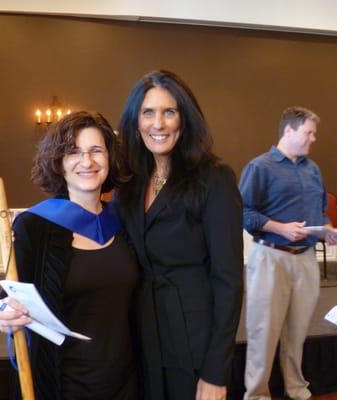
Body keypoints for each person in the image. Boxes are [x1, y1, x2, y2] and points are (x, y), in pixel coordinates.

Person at [117, 70, 244, 400]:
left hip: (193, 342)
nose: (158, 124)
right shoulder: (128, 183)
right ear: (135, 121)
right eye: (148, 112)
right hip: (142, 338)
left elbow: (228, 281)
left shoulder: (214, 179)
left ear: (184, 119)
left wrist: (216, 372)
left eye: (169, 112)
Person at [0, 111, 139, 400]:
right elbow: (11, 299)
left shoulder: (126, 221)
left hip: (128, 382)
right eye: (74, 152)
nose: (87, 161)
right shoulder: (35, 226)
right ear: (59, 163)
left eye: (96, 150)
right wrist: (5, 314)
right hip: (65, 384)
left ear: (109, 159)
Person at [239, 106, 337, 400]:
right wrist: (280, 228)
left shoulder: (313, 169)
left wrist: (328, 230)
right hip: (271, 258)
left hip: (306, 259)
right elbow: (243, 212)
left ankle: (296, 388)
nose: (314, 138)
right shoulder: (259, 167)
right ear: (289, 130)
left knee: (297, 332)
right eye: (309, 132)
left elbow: (320, 213)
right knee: (263, 332)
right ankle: (257, 394)